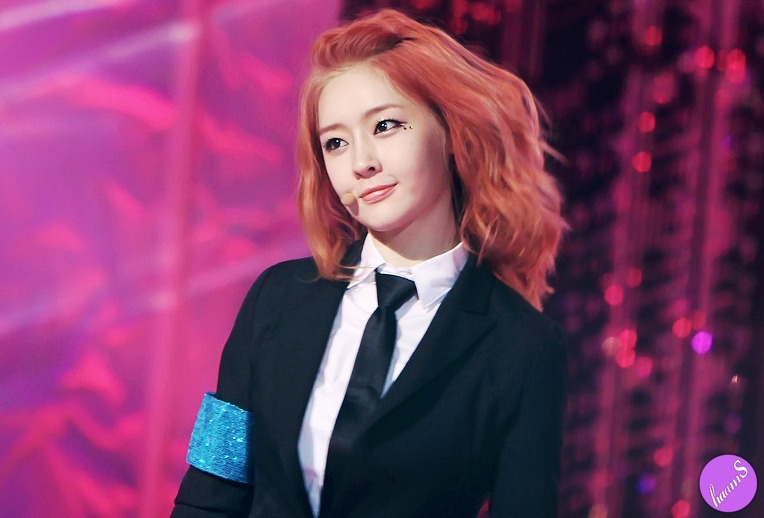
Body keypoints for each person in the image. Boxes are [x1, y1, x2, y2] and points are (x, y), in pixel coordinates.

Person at [172, 8, 567, 518]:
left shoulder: (521, 347)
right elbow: (211, 484)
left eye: (385, 126)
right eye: (335, 143)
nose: (361, 162)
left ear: (451, 131)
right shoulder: (276, 298)